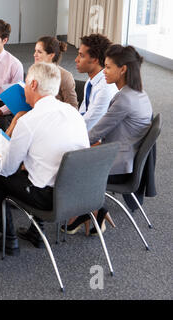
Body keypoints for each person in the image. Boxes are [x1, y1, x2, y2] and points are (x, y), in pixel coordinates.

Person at [0, 63, 89, 255]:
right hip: (80, 192)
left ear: (33, 84)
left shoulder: (28, 121)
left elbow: (7, 170)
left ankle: (8, 239)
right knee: (38, 167)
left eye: (25, 83)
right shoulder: (73, 113)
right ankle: (36, 232)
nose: (24, 88)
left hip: (49, 198)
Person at [63, 45, 152, 236]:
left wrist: (66, 142)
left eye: (109, 67)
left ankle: (92, 209)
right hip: (126, 157)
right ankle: (91, 210)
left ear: (123, 69)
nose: (104, 71)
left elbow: (95, 133)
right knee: (74, 156)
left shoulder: (124, 99)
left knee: (66, 166)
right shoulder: (139, 93)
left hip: (118, 165)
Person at [75, 34, 118, 130]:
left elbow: (88, 124)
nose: (76, 60)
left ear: (95, 60)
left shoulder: (104, 89)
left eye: (81, 56)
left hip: (98, 138)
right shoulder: (91, 81)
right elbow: (83, 111)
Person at [34, 36, 77, 108]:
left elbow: (73, 108)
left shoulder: (65, 76)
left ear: (51, 55)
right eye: (35, 51)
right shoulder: (35, 72)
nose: (35, 54)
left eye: (39, 52)